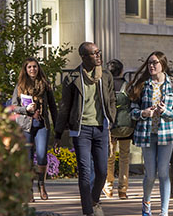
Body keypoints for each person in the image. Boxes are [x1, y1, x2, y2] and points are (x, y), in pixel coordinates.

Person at [55, 42, 115, 216]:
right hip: (81, 130)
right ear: (83, 57)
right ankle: (88, 211)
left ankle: (94, 199)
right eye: (94, 53)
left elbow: (111, 99)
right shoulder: (73, 78)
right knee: (85, 172)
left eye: (98, 52)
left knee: (102, 171)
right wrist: (58, 133)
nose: (98, 56)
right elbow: (65, 107)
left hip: (101, 128)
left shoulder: (105, 75)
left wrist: (112, 118)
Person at [129, 51, 173, 216]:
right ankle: (146, 204)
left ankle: (164, 212)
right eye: (149, 63)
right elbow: (132, 111)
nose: (151, 66)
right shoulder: (142, 84)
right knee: (150, 174)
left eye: (155, 63)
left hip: (167, 133)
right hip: (146, 133)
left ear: (163, 65)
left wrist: (165, 111)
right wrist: (144, 113)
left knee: (163, 172)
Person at [11, 57, 58, 201]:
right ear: (25, 70)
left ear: (38, 68)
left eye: (35, 67)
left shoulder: (45, 84)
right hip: (26, 126)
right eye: (30, 67)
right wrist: (25, 109)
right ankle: (28, 188)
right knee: (27, 159)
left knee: (42, 156)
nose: (33, 69)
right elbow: (13, 107)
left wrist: (58, 129)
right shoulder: (20, 85)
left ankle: (41, 185)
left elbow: (53, 107)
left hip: (42, 125)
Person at [103, 59, 132, 200]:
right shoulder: (128, 86)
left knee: (110, 158)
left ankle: (108, 188)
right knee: (124, 158)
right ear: (122, 70)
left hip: (110, 126)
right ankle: (123, 189)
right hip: (126, 126)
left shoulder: (106, 86)